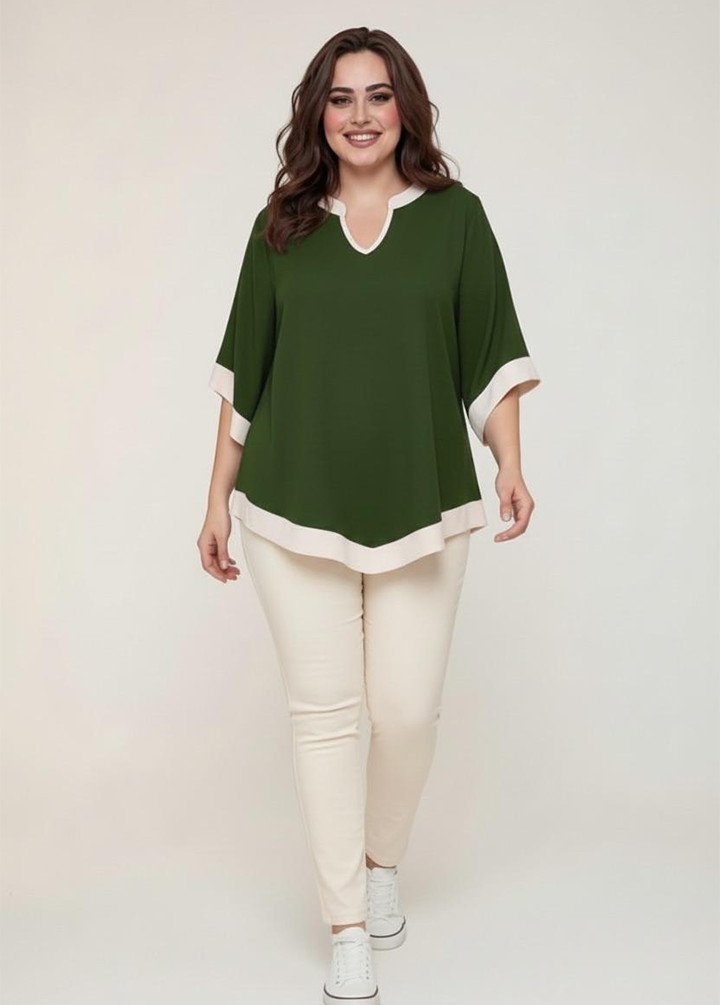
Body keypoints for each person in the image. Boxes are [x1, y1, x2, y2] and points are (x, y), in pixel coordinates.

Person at [197, 26, 542, 1005]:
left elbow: (490, 350)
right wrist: (214, 499)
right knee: (324, 716)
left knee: (404, 711)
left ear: (405, 109)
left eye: (378, 96)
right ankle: (346, 922)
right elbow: (243, 376)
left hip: (422, 502)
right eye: (341, 98)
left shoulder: (455, 220)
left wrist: (510, 462)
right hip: (290, 508)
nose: (359, 116)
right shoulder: (280, 229)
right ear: (318, 114)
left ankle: (382, 859)